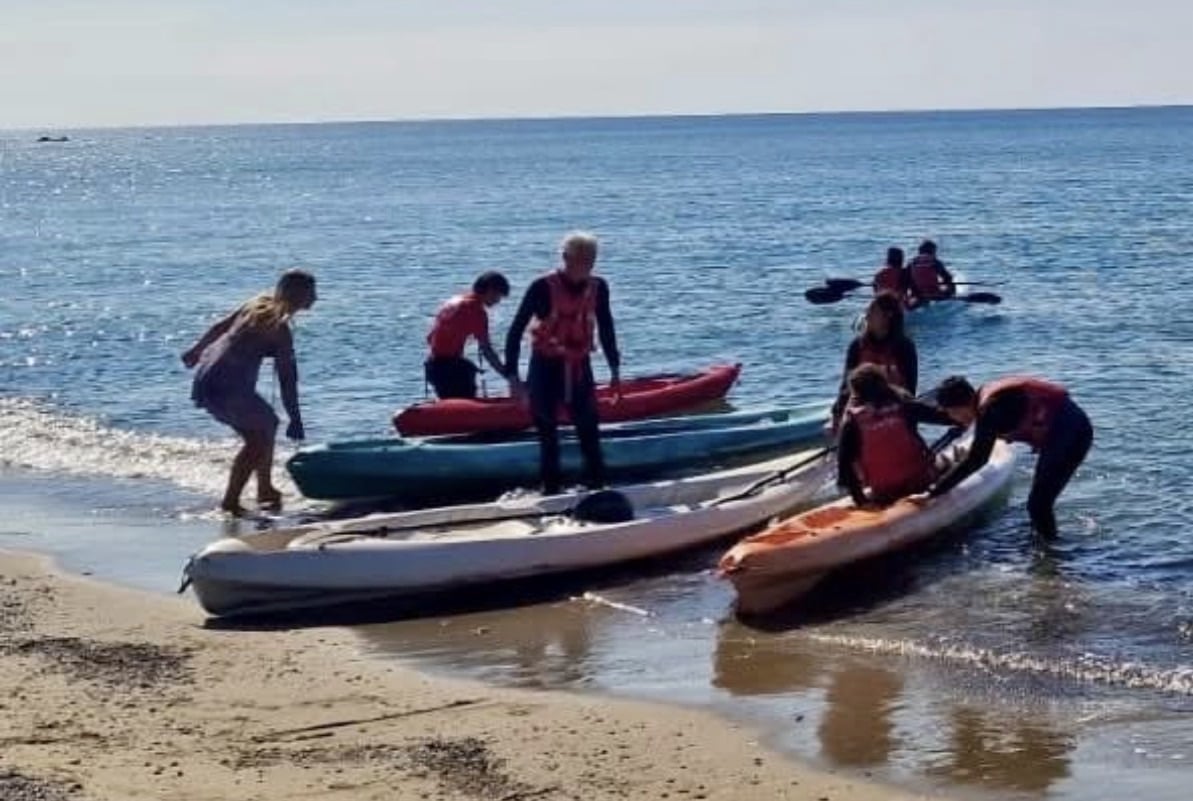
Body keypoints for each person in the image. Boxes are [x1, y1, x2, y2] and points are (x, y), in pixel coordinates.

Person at [182, 269, 317, 516]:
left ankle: (264, 488)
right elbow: (288, 379)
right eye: (312, 292)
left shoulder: (257, 303)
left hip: (209, 376)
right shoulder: (279, 329)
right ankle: (229, 502)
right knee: (256, 441)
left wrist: (196, 350)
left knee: (268, 424)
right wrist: (295, 418)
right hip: (227, 386)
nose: (316, 298)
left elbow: (220, 327)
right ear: (297, 295)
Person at [504, 232, 620, 495]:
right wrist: (513, 378)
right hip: (545, 366)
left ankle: (598, 485)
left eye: (591, 260)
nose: (586, 266)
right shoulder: (541, 287)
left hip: (579, 366)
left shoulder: (599, 287)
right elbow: (515, 330)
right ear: (566, 258)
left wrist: (614, 368)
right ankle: (551, 489)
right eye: (580, 260)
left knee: (588, 428)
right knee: (547, 431)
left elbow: (607, 327)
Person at [924, 375, 1093, 538]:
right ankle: (1042, 544)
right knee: (1039, 503)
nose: (952, 419)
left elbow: (977, 460)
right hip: (1071, 426)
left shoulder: (990, 410)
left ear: (959, 407)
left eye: (950, 413)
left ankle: (1050, 556)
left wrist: (934, 492)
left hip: (1069, 432)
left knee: (1038, 505)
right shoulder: (989, 401)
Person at [836, 365, 954, 507]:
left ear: (856, 392)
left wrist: (860, 500)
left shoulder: (852, 421)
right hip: (922, 481)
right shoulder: (904, 405)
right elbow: (944, 417)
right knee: (945, 462)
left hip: (884, 491)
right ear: (884, 383)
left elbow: (844, 464)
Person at [830, 291, 918, 431]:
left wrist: (909, 425)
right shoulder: (857, 346)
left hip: (894, 413)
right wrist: (836, 414)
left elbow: (910, 390)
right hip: (862, 414)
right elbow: (846, 386)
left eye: (872, 311)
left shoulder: (904, 347)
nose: (866, 315)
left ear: (887, 316)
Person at [424, 271, 510, 399]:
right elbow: (486, 350)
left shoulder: (453, 302)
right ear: (490, 291)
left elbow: (430, 337)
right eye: (498, 296)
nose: (498, 301)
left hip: (433, 365)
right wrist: (508, 375)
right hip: (449, 370)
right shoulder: (476, 311)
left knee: (465, 369)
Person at [906, 239, 956, 307]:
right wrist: (948, 285)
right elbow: (947, 277)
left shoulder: (911, 263)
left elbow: (907, 281)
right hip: (934, 294)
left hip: (918, 295)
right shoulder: (935, 261)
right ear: (932, 251)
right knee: (950, 286)